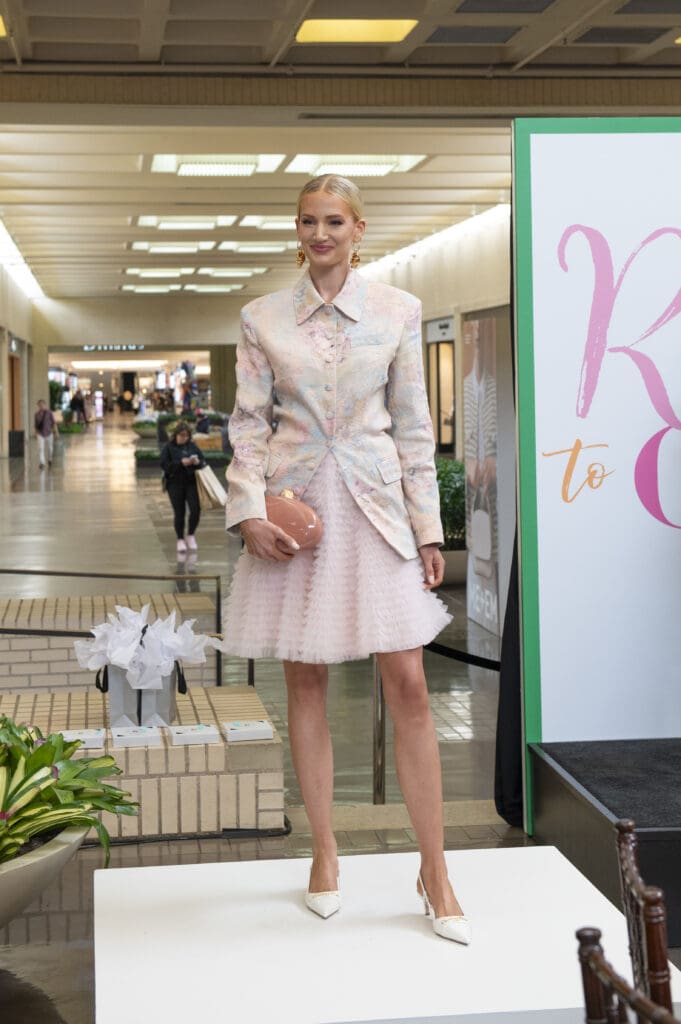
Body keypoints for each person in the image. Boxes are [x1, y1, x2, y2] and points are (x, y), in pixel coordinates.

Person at [223, 174, 470, 945]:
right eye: (307, 221)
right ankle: (323, 853)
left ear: (360, 228)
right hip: (297, 514)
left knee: (409, 683)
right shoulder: (262, 317)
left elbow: (410, 426)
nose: (319, 234)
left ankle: (435, 868)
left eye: (333, 221)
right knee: (305, 678)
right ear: (296, 230)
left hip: (377, 511)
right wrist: (248, 511)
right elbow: (246, 426)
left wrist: (428, 530)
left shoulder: (397, 311)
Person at [160, 421, 206, 554]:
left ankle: (191, 534)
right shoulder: (168, 447)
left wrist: (197, 462)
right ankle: (180, 538)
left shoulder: (192, 446)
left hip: (191, 482)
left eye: (186, 436)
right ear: (176, 435)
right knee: (179, 512)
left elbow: (203, 461)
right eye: (181, 435)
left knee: (195, 510)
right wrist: (180, 463)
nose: (183, 438)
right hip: (175, 484)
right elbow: (164, 465)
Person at [34, 399, 58, 469]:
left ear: (45, 405)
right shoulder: (36, 415)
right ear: (38, 406)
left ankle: (50, 459)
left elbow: (53, 423)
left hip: (49, 433)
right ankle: (42, 462)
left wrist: (56, 432)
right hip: (40, 434)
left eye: (42, 405)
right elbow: (36, 425)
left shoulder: (49, 413)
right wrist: (36, 433)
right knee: (41, 448)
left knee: (50, 448)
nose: (41, 406)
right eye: (39, 405)